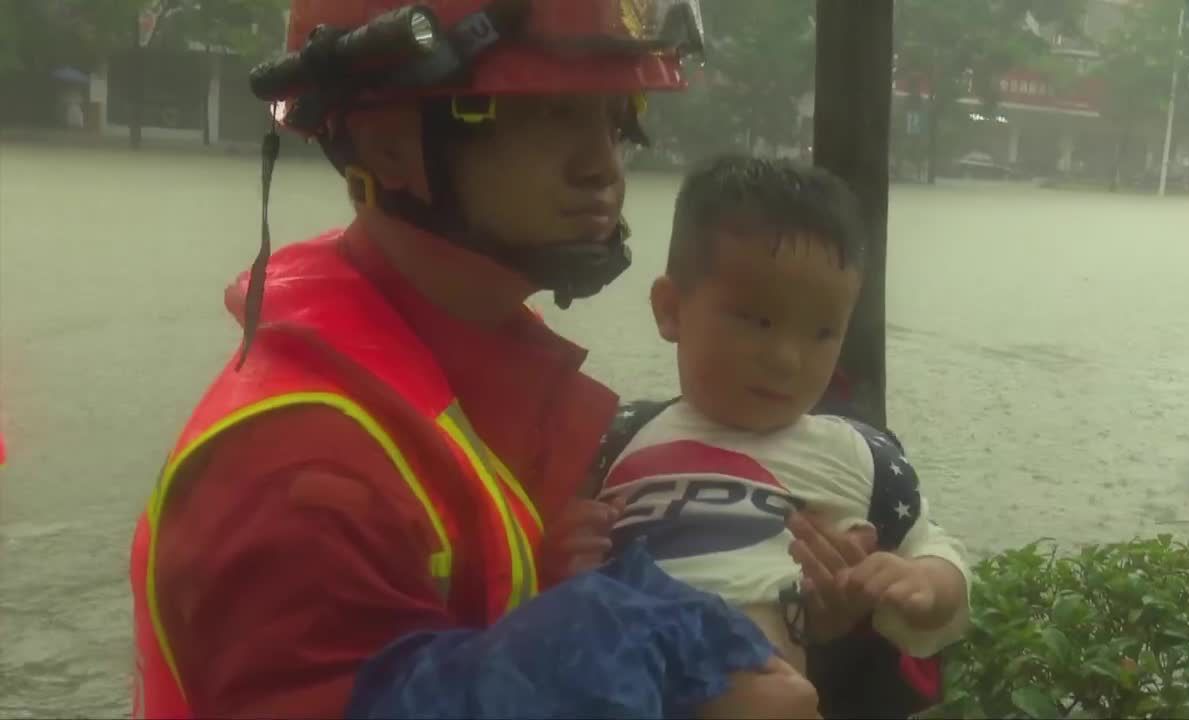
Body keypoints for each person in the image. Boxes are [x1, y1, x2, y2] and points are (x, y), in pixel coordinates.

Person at [127, 2, 820, 719]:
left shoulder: (457, 364)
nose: (601, 167)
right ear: (390, 143)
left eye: (616, 119)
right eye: (550, 112)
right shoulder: (299, 471)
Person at [594, 155, 971, 696]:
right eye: (759, 321)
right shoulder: (615, 437)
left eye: (822, 332)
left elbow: (935, 550)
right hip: (611, 663)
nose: (787, 359)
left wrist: (923, 584)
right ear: (671, 309)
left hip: (754, 682)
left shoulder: (860, 457)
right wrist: (560, 556)